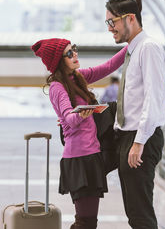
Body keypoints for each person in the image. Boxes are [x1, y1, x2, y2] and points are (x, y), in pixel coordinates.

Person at [31, 38, 127, 229]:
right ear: (58, 61)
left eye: (73, 49)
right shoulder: (57, 87)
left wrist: (132, 43)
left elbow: (108, 66)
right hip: (79, 159)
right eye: (68, 53)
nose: (75, 54)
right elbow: (69, 118)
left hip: (91, 155)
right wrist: (83, 113)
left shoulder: (78, 77)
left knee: (88, 222)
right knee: (86, 223)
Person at [105, 0, 165, 229]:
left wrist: (139, 142)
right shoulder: (133, 49)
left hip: (140, 138)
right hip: (127, 136)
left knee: (140, 214)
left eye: (113, 21)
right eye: (108, 22)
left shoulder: (148, 48)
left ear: (130, 18)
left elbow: (154, 98)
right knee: (134, 212)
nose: (110, 28)